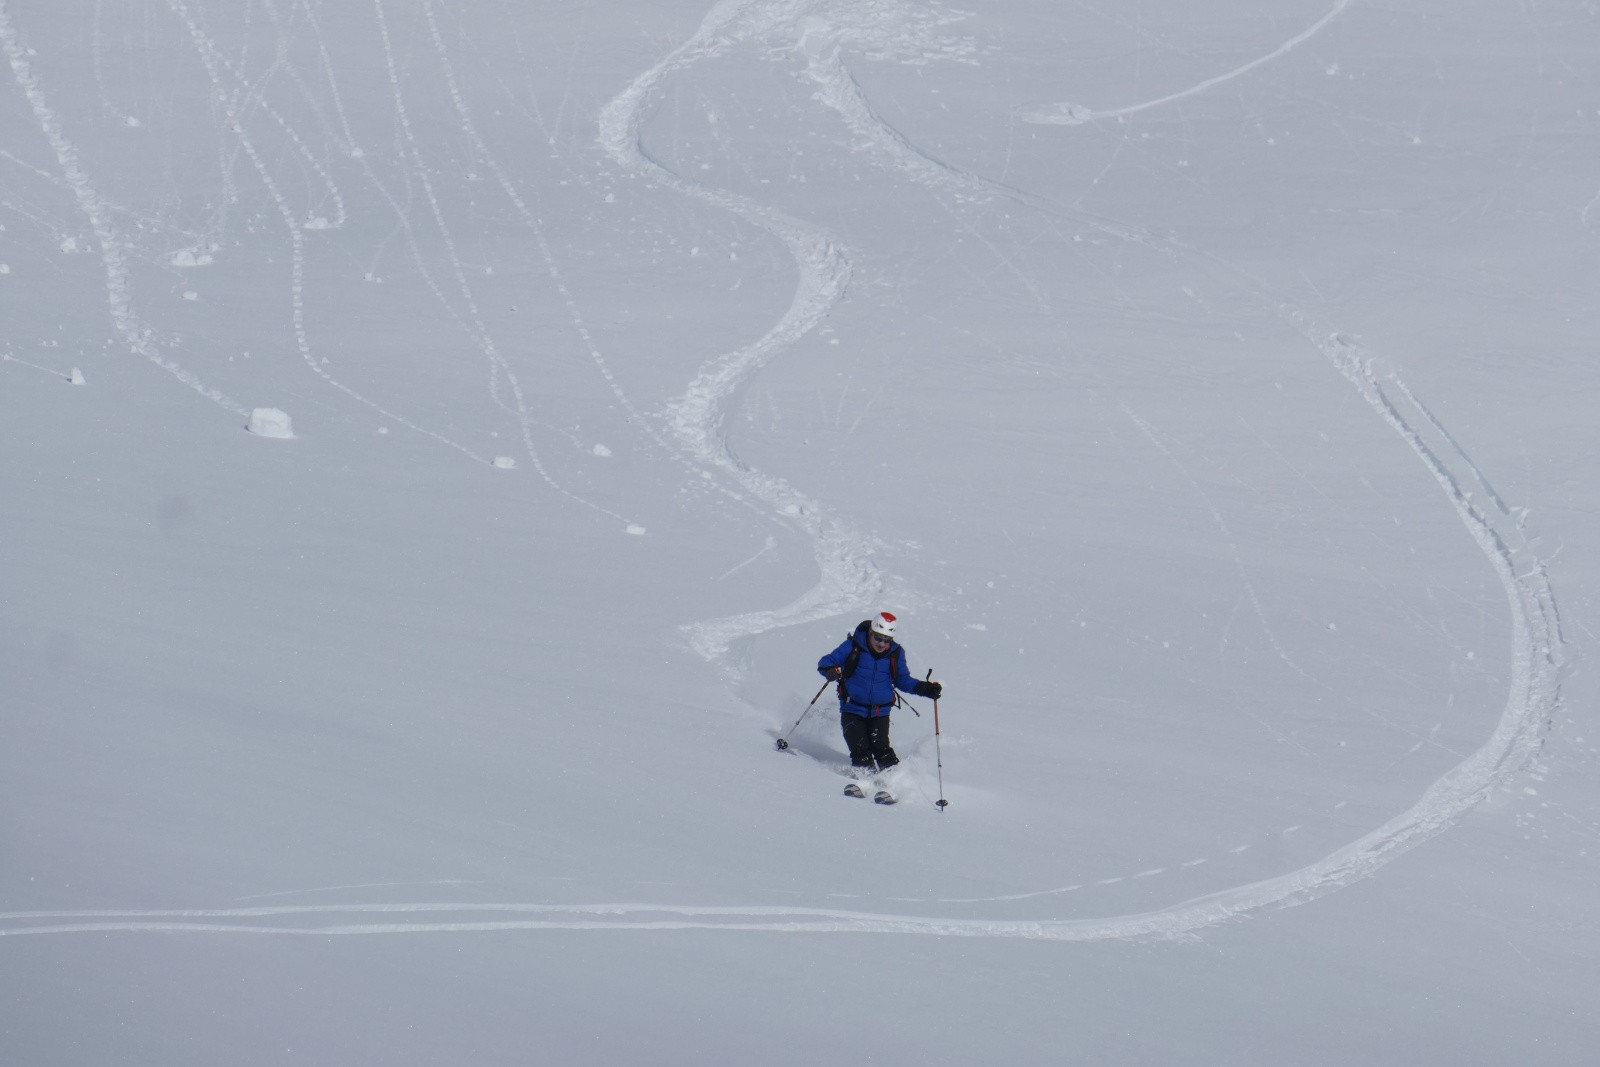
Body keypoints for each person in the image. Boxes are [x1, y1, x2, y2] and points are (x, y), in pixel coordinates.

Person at [816, 611, 943, 776]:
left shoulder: (896, 654)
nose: (882, 644)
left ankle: (895, 782)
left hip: (880, 711)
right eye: (878, 638)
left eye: (887, 640)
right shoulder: (853, 646)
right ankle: (864, 783)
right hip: (852, 708)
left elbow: (902, 681)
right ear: (871, 633)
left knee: (882, 748)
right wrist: (830, 671)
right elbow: (825, 662)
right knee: (860, 749)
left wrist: (925, 689)